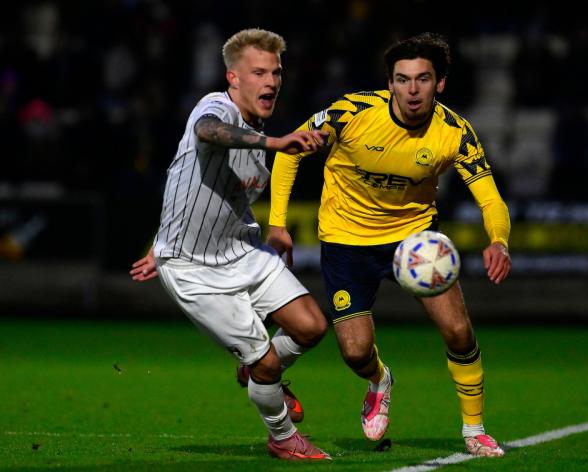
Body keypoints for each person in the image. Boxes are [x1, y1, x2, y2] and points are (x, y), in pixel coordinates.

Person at [268, 32, 511, 456]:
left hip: (415, 241)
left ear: (440, 84)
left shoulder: (454, 132)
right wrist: (277, 222)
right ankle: (379, 380)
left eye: (422, 79)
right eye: (402, 79)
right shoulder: (352, 112)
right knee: (355, 352)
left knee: (457, 330)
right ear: (390, 82)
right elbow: (290, 152)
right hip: (346, 240)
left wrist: (499, 241)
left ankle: (475, 429)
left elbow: (489, 196)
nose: (412, 90)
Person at [129, 28, 332, 460]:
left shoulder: (257, 140)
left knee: (312, 326)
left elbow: (190, 181)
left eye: (276, 72)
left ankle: (254, 369)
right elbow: (208, 132)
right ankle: (282, 437)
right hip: (191, 267)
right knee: (269, 366)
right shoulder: (215, 108)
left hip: (240, 249)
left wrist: (274, 227)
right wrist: (276, 143)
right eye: (258, 72)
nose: (271, 81)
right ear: (233, 78)